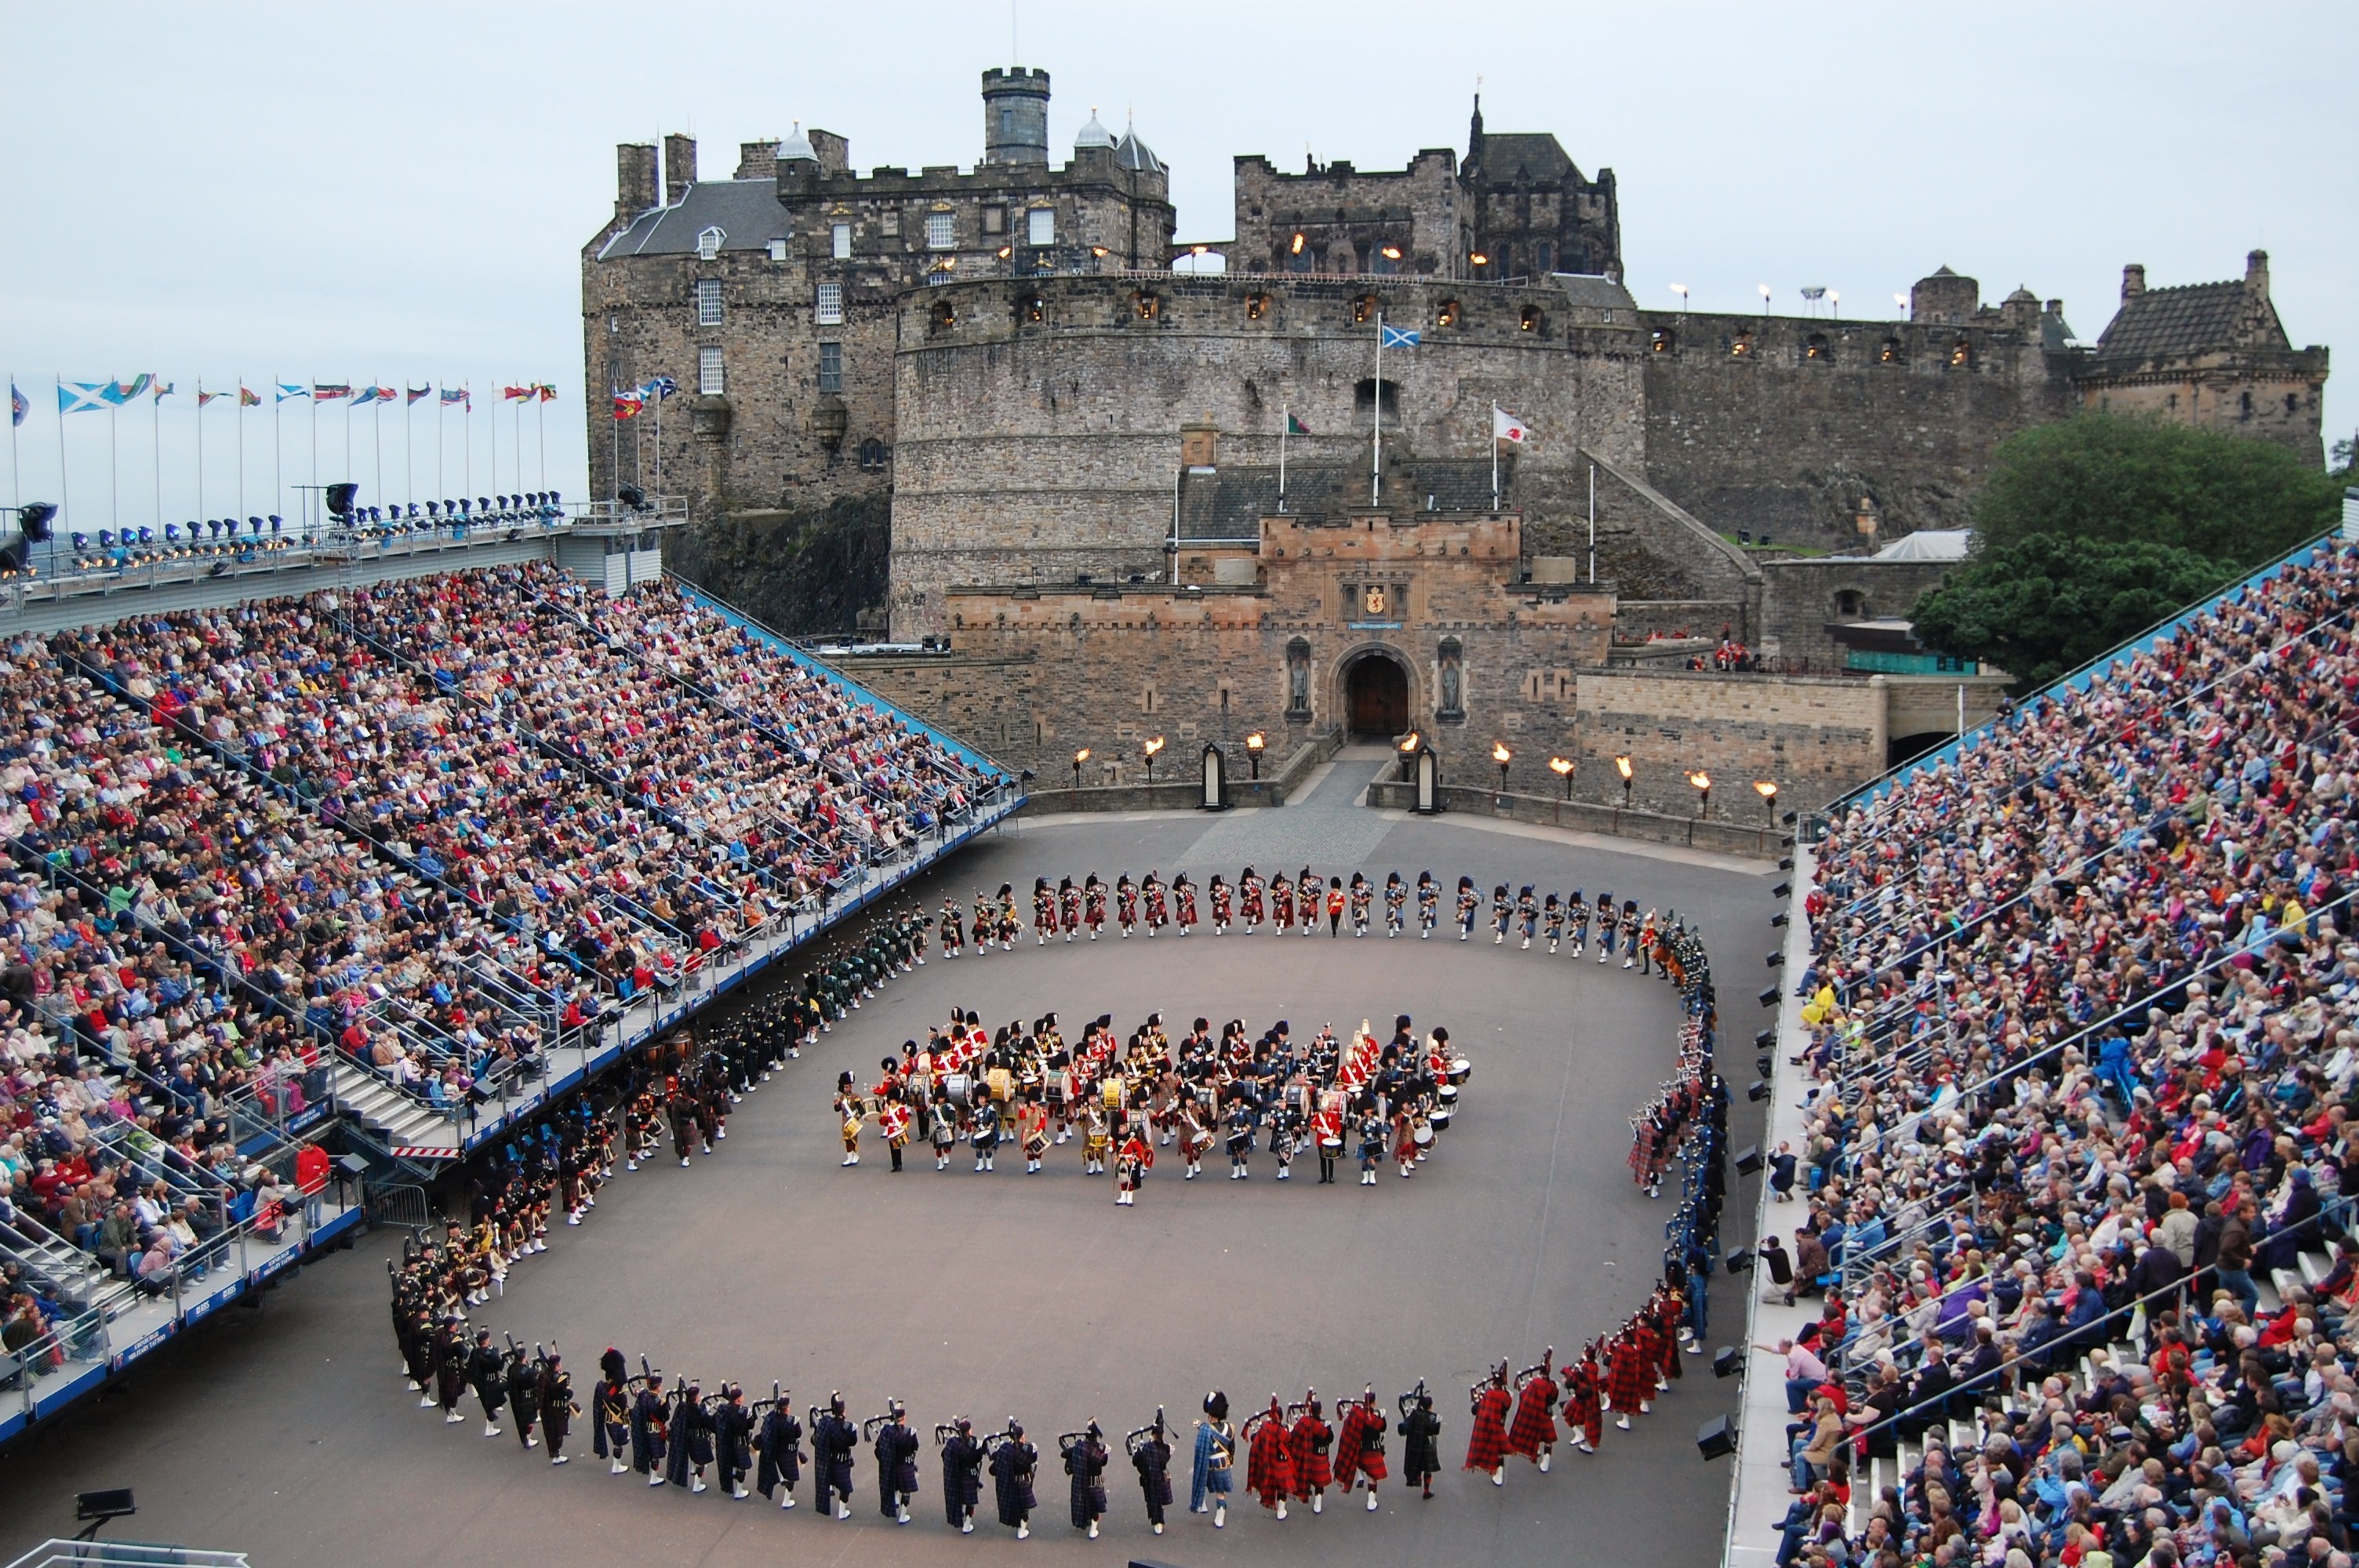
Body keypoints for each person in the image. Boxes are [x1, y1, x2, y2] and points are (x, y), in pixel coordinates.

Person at [1332, 1390, 1387, 1510]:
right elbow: (1383, 1427)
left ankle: (1360, 1476)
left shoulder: (1357, 1414)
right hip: (1373, 1450)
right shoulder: (1375, 1418)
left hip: (1361, 1449)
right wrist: (1383, 1415)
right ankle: (1371, 1502)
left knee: (1359, 1464)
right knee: (1372, 1476)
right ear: (1374, 1403)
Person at [1506, 1353, 1560, 1472]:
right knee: (1548, 1440)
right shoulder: (1552, 1386)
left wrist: (1524, 1388)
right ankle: (1546, 1460)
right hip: (1545, 1415)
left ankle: (1535, 1450)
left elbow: (1525, 1396)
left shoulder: (1535, 1383)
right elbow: (1553, 1399)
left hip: (1535, 1415)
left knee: (1534, 1433)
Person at [1190, 1391, 1236, 1526]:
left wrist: (1200, 1426)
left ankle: (1201, 1504)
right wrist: (1231, 1461)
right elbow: (1232, 1447)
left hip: (1210, 1462)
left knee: (1201, 1479)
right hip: (1225, 1463)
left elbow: (1204, 1444)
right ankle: (1220, 1517)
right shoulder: (1231, 1428)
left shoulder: (1206, 1429)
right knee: (1220, 1493)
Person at [1465, 1363, 1511, 1486]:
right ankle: (1499, 1474)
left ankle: (1496, 1472)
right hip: (1500, 1425)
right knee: (1500, 1450)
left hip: (1488, 1427)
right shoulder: (1507, 1396)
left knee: (1489, 1449)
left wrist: (1479, 1400)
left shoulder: (1488, 1395)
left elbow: (1475, 1410)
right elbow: (1506, 1406)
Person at [755, 1392, 803, 1508]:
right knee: (792, 1478)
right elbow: (799, 1434)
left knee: (783, 1469)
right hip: (789, 1453)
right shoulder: (793, 1421)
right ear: (786, 1409)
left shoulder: (773, 1420)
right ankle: (786, 1501)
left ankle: (783, 1477)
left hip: (777, 1451)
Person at [990, 1420, 1038, 1539]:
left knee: (1016, 1506)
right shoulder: (1029, 1448)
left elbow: (993, 1469)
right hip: (1024, 1482)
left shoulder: (1005, 1450)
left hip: (1011, 1482)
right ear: (1022, 1436)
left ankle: (1019, 1527)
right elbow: (1033, 1458)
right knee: (1024, 1508)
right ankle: (1022, 1530)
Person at [874, 1400, 919, 1523]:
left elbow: (878, 1448)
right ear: (903, 1418)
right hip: (905, 1466)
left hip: (891, 1466)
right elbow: (915, 1447)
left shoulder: (886, 1432)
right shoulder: (910, 1433)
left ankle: (894, 1500)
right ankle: (903, 1516)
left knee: (893, 1485)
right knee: (906, 1492)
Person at [814, 1393, 857, 1519]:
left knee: (829, 1479)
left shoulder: (827, 1424)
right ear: (843, 1411)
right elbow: (853, 1442)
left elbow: (817, 1439)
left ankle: (829, 1488)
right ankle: (842, 1512)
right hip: (842, 1462)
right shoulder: (849, 1428)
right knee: (846, 1489)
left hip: (829, 1460)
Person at [1130, 1411, 1175, 1535]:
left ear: (1152, 1434)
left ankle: (1157, 1521)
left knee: (1153, 1498)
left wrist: (1137, 1455)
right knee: (1160, 1499)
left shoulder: (1146, 1448)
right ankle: (1160, 1518)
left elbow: (1135, 1461)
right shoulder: (1167, 1448)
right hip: (1162, 1477)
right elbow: (1164, 1460)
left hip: (1149, 1478)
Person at [1289, 1396, 1334, 1513]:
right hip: (1321, 1456)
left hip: (1308, 1457)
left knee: (1308, 1478)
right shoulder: (1324, 1425)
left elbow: (1294, 1435)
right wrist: (1328, 1427)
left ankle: (1306, 1492)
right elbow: (1330, 1438)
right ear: (1321, 1412)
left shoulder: (1305, 1423)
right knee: (1319, 1483)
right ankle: (1317, 1504)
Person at [1065, 1421, 1110, 1538]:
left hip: (1082, 1482)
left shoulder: (1080, 1447)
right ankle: (1093, 1530)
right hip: (1098, 1480)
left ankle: (1086, 1521)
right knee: (1097, 1505)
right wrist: (1106, 1452)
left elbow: (1064, 1454)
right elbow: (1104, 1462)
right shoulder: (1101, 1450)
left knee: (1086, 1502)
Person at [940, 1417, 984, 1533]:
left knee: (958, 1498)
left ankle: (958, 1517)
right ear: (969, 1431)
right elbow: (978, 1458)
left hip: (956, 1475)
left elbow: (944, 1455)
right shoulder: (975, 1444)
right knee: (970, 1502)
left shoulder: (952, 1443)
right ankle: (967, 1525)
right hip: (970, 1475)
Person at [1398, 1390, 1442, 1500]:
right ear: (1430, 1406)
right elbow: (1436, 1431)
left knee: (1417, 1463)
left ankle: (1417, 1478)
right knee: (1428, 1469)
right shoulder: (1434, 1418)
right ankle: (1426, 1491)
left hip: (1416, 1444)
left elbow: (1406, 1427)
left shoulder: (1415, 1415)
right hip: (1429, 1445)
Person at [538, 1351, 576, 1468]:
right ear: (556, 1366)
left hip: (551, 1408)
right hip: (557, 1408)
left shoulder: (546, 1376)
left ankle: (556, 1453)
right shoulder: (557, 1381)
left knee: (555, 1431)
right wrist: (567, 1385)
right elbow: (568, 1394)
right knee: (558, 1432)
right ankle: (557, 1455)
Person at [1115, 1119, 1152, 1207]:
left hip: (1129, 1161)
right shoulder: (1119, 1138)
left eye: (1122, 1127)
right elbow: (1116, 1148)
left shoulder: (1132, 1139)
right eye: (1119, 1127)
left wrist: (1137, 1159)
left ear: (1126, 1127)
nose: (1120, 1129)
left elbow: (1140, 1149)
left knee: (1130, 1180)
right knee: (1122, 1180)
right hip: (1121, 1161)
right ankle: (1123, 1197)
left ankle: (1129, 1199)